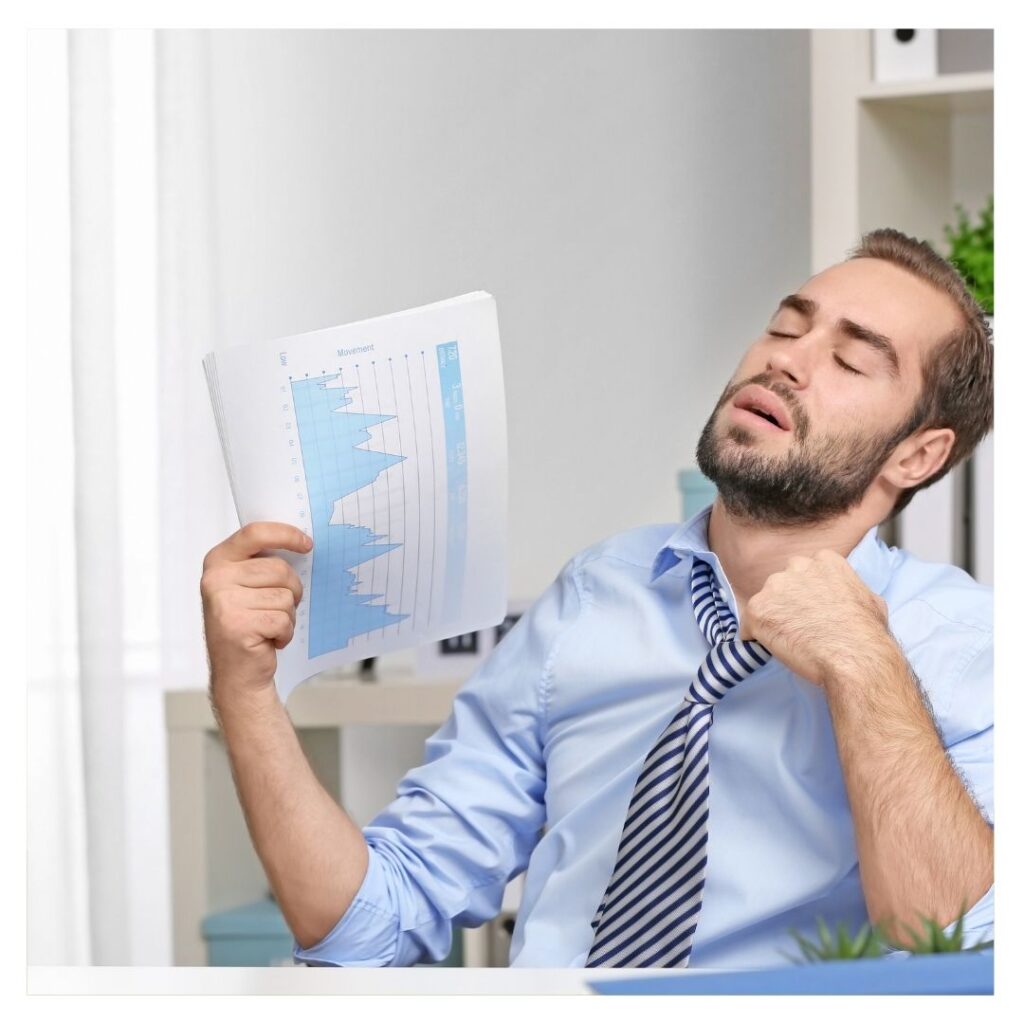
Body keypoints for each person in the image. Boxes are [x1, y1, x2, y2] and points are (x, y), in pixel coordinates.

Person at [200, 228, 994, 968]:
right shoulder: (595, 594)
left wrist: (865, 664)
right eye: (786, 327)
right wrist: (246, 691)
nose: (787, 361)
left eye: (850, 361)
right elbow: (365, 927)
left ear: (918, 456)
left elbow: (964, 943)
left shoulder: (961, 643)